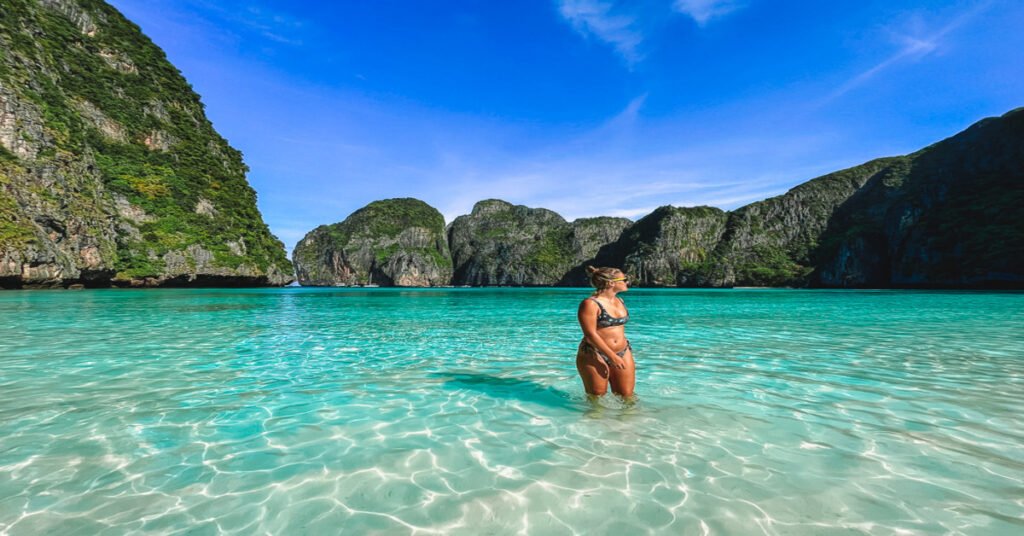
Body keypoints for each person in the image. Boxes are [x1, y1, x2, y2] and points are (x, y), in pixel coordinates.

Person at [576, 266, 634, 398]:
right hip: (594, 353)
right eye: (624, 279)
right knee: (597, 398)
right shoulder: (590, 304)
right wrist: (612, 357)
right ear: (611, 283)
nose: (627, 282)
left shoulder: (620, 301)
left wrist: (617, 355)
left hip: (622, 351)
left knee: (627, 396)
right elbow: (590, 335)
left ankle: (627, 419)